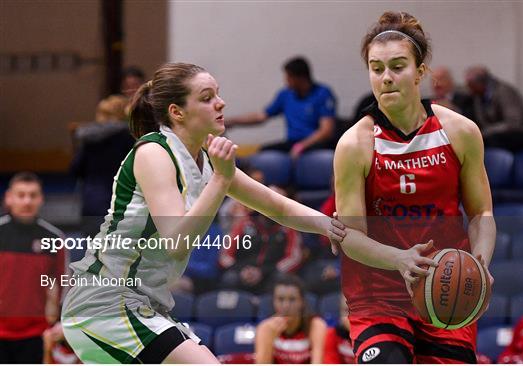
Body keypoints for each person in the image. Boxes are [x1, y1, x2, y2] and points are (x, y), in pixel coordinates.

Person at [60, 62, 346, 364]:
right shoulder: (154, 153)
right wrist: (222, 180)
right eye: (207, 97)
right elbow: (175, 242)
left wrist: (328, 225)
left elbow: (276, 205)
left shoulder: (206, 159)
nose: (220, 103)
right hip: (106, 303)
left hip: (143, 305)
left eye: (218, 95)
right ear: (177, 112)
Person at [333, 12, 495, 363]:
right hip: (378, 295)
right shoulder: (354, 145)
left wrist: (480, 262)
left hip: (445, 287)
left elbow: (481, 212)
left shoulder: (460, 131)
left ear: (420, 72)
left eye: (398, 66)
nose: (386, 78)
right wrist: (400, 260)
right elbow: (350, 236)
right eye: (377, 69)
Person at [0, 172, 67, 363]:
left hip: (36, 333)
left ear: (41, 199)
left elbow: (63, 284)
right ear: (9, 198)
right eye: (21, 195)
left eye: (33, 195)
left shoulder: (54, 238)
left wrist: (61, 321)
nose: (27, 201)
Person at [226, 56, 337, 158]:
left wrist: (302, 145)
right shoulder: (286, 95)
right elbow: (261, 116)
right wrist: (232, 122)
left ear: (300, 77)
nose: (286, 80)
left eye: (289, 76)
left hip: (314, 144)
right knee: (262, 152)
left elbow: (326, 130)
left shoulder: (322, 93)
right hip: (292, 142)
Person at [219, 186, 304, 294]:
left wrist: (263, 272)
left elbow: (294, 258)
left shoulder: (289, 229)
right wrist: (242, 269)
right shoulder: (244, 224)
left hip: (271, 274)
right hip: (242, 271)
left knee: (282, 280)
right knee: (229, 279)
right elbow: (225, 255)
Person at [70, 95, 134, 237]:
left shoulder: (89, 138)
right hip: (121, 202)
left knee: (94, 252)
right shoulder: (128, 138)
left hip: (92, 201)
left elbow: (76, 168)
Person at [465, 65, 523, 152]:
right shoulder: (478, 96)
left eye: (470, 85)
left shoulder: (504, 92)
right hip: (497, 134)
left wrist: (486, 132)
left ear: (480, 83)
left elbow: (513, 123)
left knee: (490, 142)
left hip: (522, 132)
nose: (469, 89)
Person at [255, 274, 327, 364]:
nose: (286, 306)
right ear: (273, 301)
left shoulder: (316, 325)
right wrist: (269, 341)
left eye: (292, 299)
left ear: (302, 302)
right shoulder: (265, 328)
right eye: (280, 299)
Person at [323, 295, 354, 364]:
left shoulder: (378, 336)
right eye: (346, 310)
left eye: (356, 309)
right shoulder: (333, 334)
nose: (351, 317)